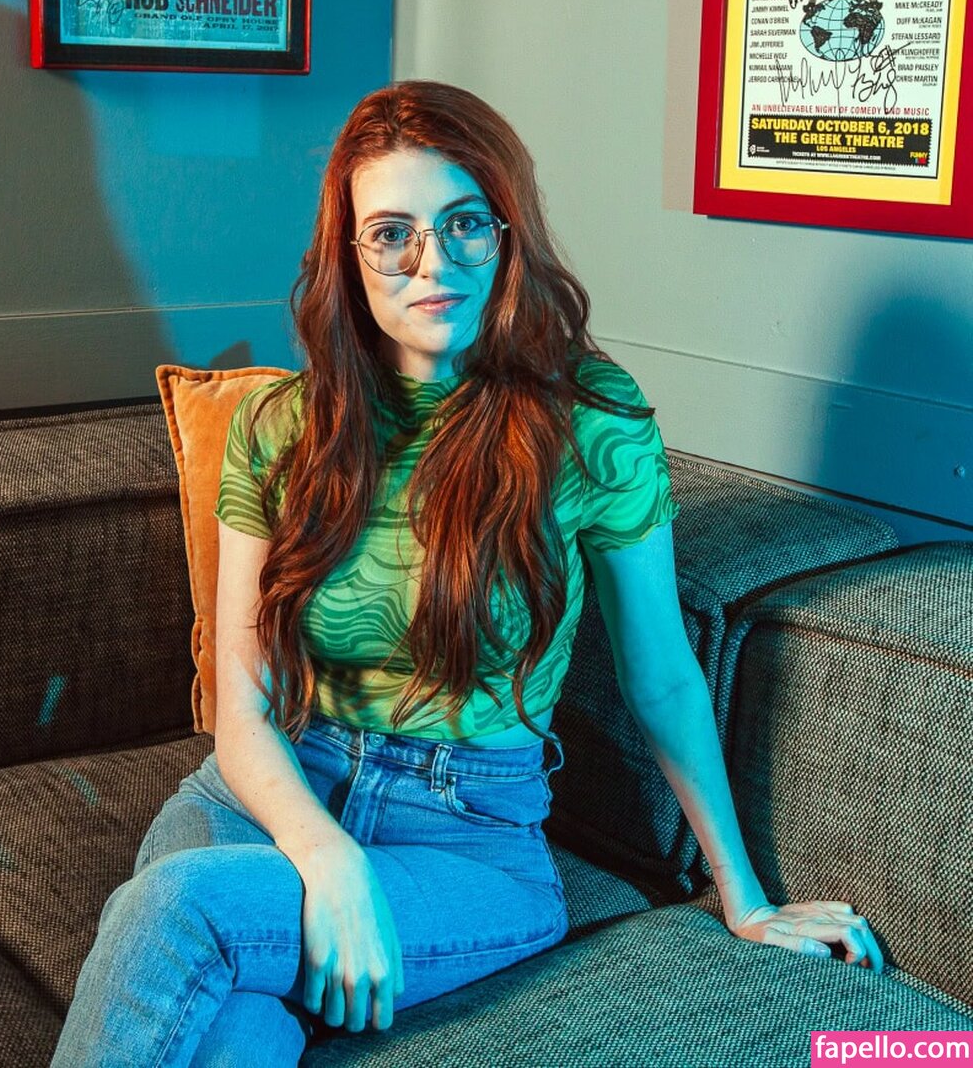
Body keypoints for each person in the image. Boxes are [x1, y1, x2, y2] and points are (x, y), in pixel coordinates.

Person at [51, 79, 883, 1067]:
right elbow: (243, 705)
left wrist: (743, 896)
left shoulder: (591, 423)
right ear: (349, 255)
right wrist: (326, 856)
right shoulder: (280, 429)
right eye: (390, 233)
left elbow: (663, 676)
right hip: (265, 794)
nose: (432, 263)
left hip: (467, 835)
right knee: (235, 1023)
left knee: (183, 908)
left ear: (508, 231)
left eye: (463, 223)